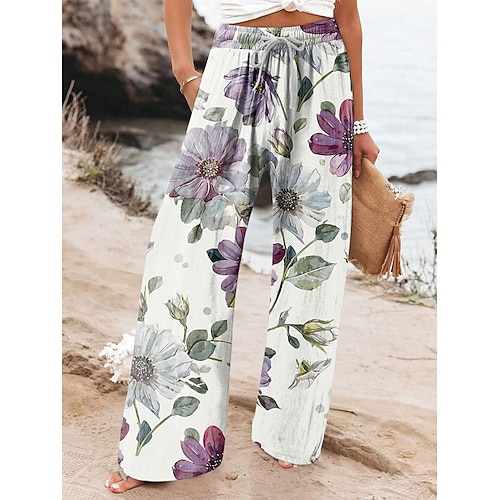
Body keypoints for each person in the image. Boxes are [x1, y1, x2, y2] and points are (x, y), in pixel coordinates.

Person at [105, 0, 379, 493]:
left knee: (313, 259)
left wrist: (358, 123)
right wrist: (185, 73)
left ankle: (289, 434)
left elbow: (349, 15)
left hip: (323, 71)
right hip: (236, 65)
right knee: (189, 251)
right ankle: (159, 448)